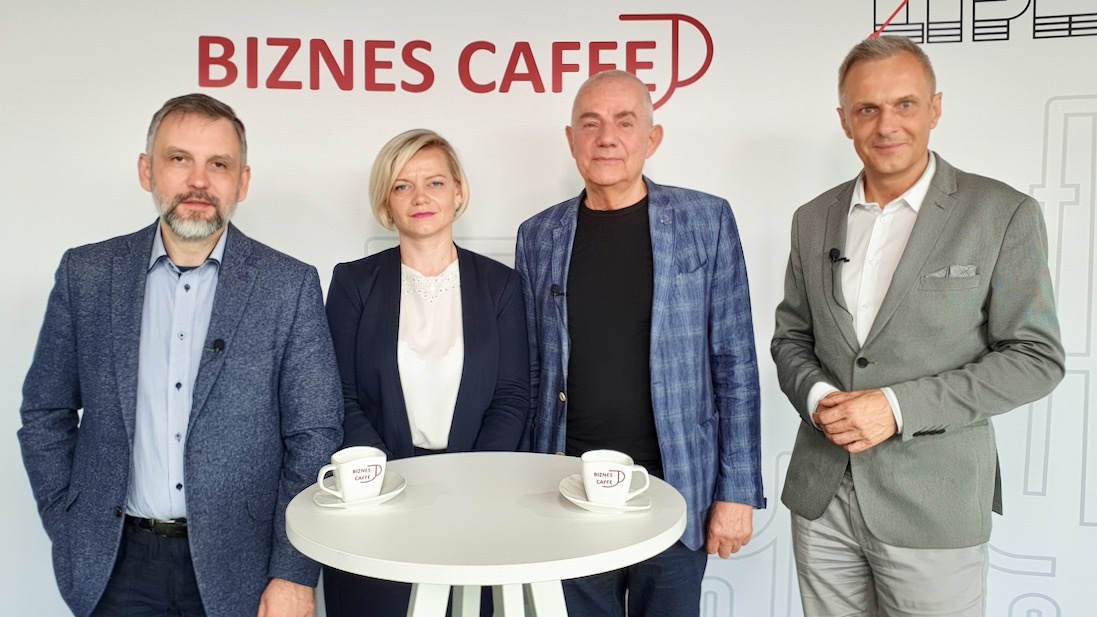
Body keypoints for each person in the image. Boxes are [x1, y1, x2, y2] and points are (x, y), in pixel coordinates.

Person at [17, 93, 343, 617]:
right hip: (113, 567)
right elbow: (45, 411)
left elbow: (314, 436)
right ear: (147, 170)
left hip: (244, 568)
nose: (198, 181)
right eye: (178, 159)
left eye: (219, 164)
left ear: (242, 182)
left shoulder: (289, 286)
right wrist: (68, 519)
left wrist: (293, 571)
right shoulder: (88, 274)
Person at [771, 36, 1065, 616]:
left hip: (936, 503)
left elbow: (1035, 357)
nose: (887, 125)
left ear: (935, 108)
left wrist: (896, 408)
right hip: (822, 497)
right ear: (845, 120)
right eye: (867, 109)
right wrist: (820, 397)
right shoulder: (811, 219)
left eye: (904, 104)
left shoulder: (1002, 213)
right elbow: (792, 337)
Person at [515, 70, 765, 616]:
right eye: (591, 124)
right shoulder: (538, 235)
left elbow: (736, 364)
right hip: (569, 490)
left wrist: (739, 490)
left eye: (625, 123)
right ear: (571, 140)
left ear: (652, 138)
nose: (607, 137)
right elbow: (533, 369)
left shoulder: (706, 221)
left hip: (676, 489)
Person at [322, 128, 529, 616]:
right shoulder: (353, 282)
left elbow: (512, 397)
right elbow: (337, 396)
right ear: (386, 202)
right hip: (375, 502)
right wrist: (389, 481)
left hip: (476, 504)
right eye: (402, 185)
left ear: (458, 192)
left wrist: (467, 484)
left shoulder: (501, 285)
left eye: (435, 182)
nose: (420, 197)